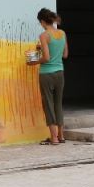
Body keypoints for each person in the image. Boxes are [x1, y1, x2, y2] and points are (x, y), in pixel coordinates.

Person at [33, 8, 68, 145]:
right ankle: (61, 136)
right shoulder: (62, 33)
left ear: (42, 21)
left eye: (40, 23)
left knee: (48, 104)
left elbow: (46, 58)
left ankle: (53, 138)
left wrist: (33, 62)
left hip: (46, 74)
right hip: (60, 72)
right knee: (58, 103)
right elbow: (65, 55)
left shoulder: (44, 36)